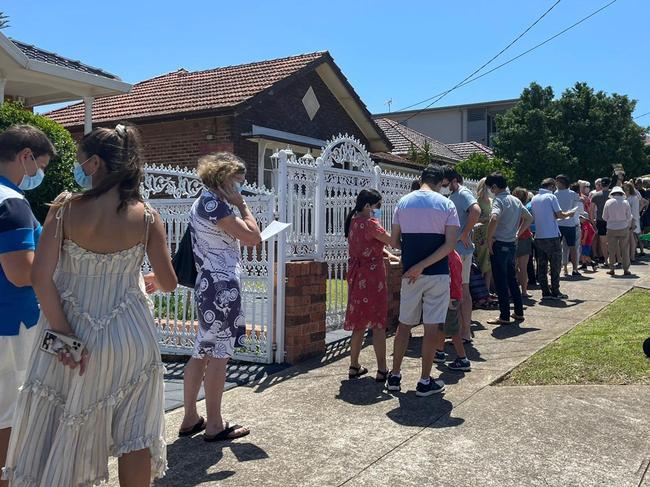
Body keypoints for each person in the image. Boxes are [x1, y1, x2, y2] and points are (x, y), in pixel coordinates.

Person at [4, 124, 177, 487]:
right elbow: (170, 281)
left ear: (95, 163)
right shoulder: (147, 217)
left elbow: (41, 277)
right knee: (137, 438)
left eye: (81, 161)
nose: (77, 169)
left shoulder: (65, 209)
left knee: (66, 428)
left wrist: (65, 335)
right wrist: (148, 281)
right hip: (132, 334)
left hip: (71, 332)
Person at [177, 152, 261, 442]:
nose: (241, 184)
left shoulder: (205, 201)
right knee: (219, 356)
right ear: (222, 178)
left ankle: (190, 418)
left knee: (201, 352)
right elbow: (253, 237)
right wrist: (243, 206)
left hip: (209, 285)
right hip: (221, 287)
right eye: (237, 179)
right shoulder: (217, 204)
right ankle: (214, 424)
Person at [0, 125, 55, 487]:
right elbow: (22, 272)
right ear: (25, 157)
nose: (39, 174)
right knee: (7, 414)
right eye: (40, 165)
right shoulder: (13, 202)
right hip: (12, 322)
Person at [386, 164, 459, 397]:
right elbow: (449, 245)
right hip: (437, 274)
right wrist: (424, 265)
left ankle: (395, 376)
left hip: (410, 275)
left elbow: (394, 242)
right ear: (441, 183)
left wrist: (415, 263)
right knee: (430, 329)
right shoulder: (447, 204)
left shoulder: (403, 202)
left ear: (421, 179)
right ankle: (425, 381)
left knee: (404, 325)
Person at [343, 189, 397, 381]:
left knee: (359, 324)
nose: (379, 210)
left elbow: (366, 247)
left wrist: (385, 253)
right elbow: (393, 241)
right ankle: (382, 369)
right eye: (378, 206)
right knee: (378, 323)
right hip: (373, 278)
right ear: (368, 206)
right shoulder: (370, 223)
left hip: (357, 277)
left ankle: (354, 365)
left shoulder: (353, 222)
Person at [485, 175, 533, 325]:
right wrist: (518, 233)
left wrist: (488, 238)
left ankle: (504, 315)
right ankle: (518, 312)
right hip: (511, 243)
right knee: (512, 279)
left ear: (494, 187)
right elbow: (529, 218)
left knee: (500, 281)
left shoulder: (499, 200)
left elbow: (494, 218)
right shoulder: (515, 200)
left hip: (499, 244)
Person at [443, 166, 480, 343]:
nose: (443, 185)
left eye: (445, 182)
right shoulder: (455, 195)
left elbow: (476, 210)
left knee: (461, 292)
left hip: (460, 251)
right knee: (461, 291)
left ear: (453, 180)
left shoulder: (463, 193)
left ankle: (464, 332)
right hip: (460, 251)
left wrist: (465, 234)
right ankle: (462, 331)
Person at [530, 178, 575, 301]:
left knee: (542, 266)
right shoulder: (551, 197)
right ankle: (555, 291)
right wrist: (569, 213)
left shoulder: (534, 198)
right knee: (555, 266)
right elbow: (560, 214)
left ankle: (545, 292)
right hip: (552, 236)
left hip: (539, 236)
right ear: (550, 186)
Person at [433, 249, 471, 371]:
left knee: (453, 330)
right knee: (442, 325)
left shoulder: (445, 258)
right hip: (454, 296)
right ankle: (439, 351)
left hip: (449, 297)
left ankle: (462, 358)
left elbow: (447, 280)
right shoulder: (455, 255)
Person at [555, 175, 582, 277]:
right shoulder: (573, 194)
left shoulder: (555, 194)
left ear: (561, 183)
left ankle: (560, 268)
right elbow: (577, 208)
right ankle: (574, 269)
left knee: (559, 248)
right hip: (569, 223)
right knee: (572, 248)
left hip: (559, 224)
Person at [472, 177, 494, 302]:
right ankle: (481, 293)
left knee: (489, 265)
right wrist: (485, 219)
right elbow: (474, 218)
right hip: (480, 235)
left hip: (489, 234)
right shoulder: (477, 202)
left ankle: (486, 291)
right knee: (481, 263)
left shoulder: (491, 201)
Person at [603, 186, 632, 276]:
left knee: (611, 250)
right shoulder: (625, 202)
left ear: (612, 194)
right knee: (625, 249)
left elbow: (604, 217)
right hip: (623, 227)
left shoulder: (608, 202)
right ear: (621, 193)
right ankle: (626, 269)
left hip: (611, 228)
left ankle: (612, 269)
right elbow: (629, 216)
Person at [512, 187, 533, 298]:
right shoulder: (524, 208)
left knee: (512, 267)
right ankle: (524, 291)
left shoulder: (511, 207)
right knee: (523, 267)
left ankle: (512, 290)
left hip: (511, 238)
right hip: (525, 237)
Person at [591, 177, 612, 264]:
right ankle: (613, 258)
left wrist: (592, 221)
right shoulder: (613, 194)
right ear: (609, 184)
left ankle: (606, 259)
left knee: (603, 242)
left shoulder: (595, 195)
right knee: (612, 240)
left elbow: (591, 210)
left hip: (600, 220)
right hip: (612, 220)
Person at [623, 182, 641, 262]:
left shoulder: (634, 198)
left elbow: (634, 211)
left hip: (632, 220)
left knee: (633, 238)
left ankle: (632, 256)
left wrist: (633, 222)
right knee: (630, 239)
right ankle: (630, 255)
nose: (625, 189)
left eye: (626, 188)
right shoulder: (625, 197)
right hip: (626, 220)